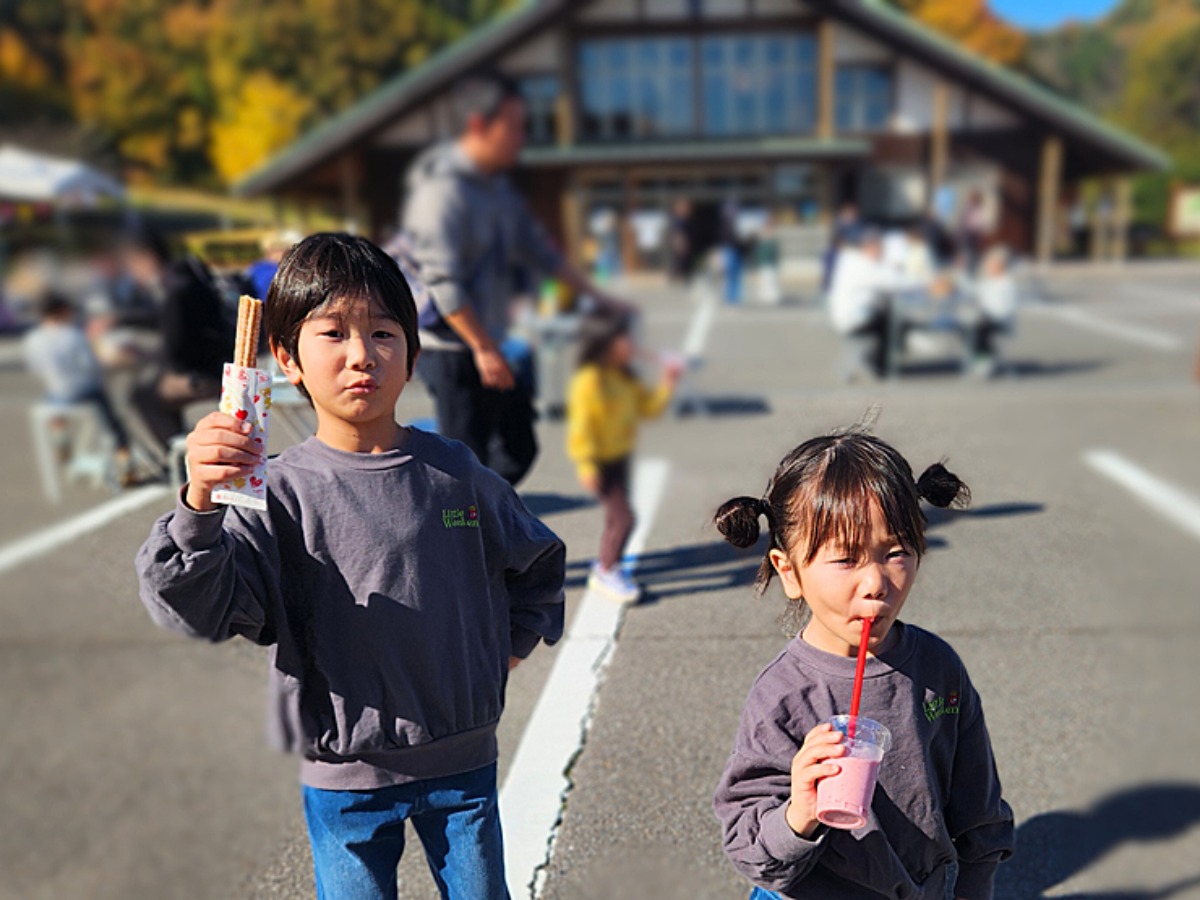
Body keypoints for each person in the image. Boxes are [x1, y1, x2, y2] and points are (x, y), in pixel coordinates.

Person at [135, 233, 566, 900]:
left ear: (414, 355)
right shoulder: (273, 491)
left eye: (384, 333)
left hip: (464, 764)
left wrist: (503, 650)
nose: (362, 354)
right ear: (287, 358)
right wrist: (199, 504)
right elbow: (200, 606)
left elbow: (537, 561)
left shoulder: (456, 473)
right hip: (343, 778)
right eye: (333, 333)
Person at [711, 430, 1014, 899]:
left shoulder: (937, 667)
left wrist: (976, 885)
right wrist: (798, 814)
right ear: (789, 571)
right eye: (846, 558)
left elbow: (978, 803)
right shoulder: (783, 696)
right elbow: (752, 852)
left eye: (896, 553)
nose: (875, 582)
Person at [402, 69, 629, 486]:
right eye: (515, 127)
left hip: (492, 341)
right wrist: (483, 347)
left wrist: (599, 297)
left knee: (518, 447)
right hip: (452, 347)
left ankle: (475, 512)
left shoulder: (498, 191)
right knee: (464, 461)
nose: (522, 138)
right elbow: (443, 280)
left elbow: (541, 252)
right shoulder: (442, 193)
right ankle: (453, 516)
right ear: (478, 125)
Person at [566, 312, 683, 603]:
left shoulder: (624, 377)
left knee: (615, 517)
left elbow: (649, 409)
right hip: (599, 461)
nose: (630, 344)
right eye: (623, 339)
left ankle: (607, 562)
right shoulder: (590, 381)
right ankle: (606, 570)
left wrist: (668, 382)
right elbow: (581, 427)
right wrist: (586, 465)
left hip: (620, 457)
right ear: (604, 344)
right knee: (624, 518)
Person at [122, 228, 230, 459]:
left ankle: (181, 457)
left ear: (147, 258)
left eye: (132, 265)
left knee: (143, 396)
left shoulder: (174, 292)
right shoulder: (187, 278)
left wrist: (139, 354)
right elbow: (164, 322)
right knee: (154, 390)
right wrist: (121, 319)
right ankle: (184, 449)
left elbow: (175, 347)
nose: (132, 273)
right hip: (221, 364)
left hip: (205, 376)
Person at [24, 291, 132, 476]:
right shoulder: (73, 335)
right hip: (85, 390)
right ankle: (125, 461)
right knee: (113, 422)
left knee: (51, 397)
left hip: (58, 394)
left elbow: (35, 368)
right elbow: (91, 366)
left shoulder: (32, 339)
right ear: (63, 311)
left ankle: (60, 433)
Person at [826, 228, 928, 380]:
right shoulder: (862, 266)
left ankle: (880, 360)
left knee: (890, 317)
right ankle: (881, 365)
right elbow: (892, 281)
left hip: (850, 316)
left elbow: (886, 279)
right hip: (854, 319)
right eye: (880, 248)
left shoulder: (853, 261)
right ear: (870, 247)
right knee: (894, 322)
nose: (882, 253)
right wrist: (926, 284)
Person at [967, 245, 1019, 376]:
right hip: (985, 318)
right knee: (970, 325)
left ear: (1000, 266)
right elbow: (971, 293)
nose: (987, 268)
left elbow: (1007, 308)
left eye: (991, 265)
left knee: (981, 328)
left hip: (1001, 321)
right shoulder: (986, 282)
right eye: (987, 265)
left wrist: (988, 316)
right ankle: (978, 357)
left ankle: (983, 361)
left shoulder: (1008, 284)